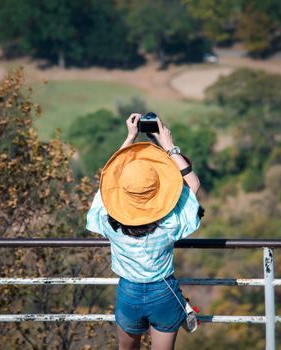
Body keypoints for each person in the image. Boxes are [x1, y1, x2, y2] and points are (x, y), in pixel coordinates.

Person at [86, 113, 202, 350]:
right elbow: (193, 184)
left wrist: (129, 138)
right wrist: (168, 146)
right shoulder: (169, 222)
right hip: (164, 290)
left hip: (128, 293)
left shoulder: (109, 219)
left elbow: (105, 181)